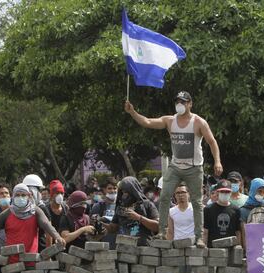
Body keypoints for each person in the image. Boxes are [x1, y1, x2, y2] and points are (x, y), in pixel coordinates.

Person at [125, 91, 223, 247]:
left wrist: (217, 161)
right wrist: (133, 112)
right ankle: (162, 232)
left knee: (197, 202)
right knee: (164, 196)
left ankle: (198, 237)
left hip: (194, 167)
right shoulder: (170, 121)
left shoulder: (199, 122)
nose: (180, 105)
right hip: (175, 166)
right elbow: (148, 122)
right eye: (177, 102)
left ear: (190, 104)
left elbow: (212, 142)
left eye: (183, 102)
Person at [0, 183, 65, 266]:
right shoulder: (7, 213)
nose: (20, 197)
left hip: (32, 262)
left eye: (23, 195)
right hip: (11, 264)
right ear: (13, 196)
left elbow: (46, 224)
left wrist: (57, 237)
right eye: (17, 195)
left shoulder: (35, 211)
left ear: (29, 196)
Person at [103, 176, 159, 246]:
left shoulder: (147, 205)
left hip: (143, 249)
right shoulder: (120, 207)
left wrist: (139, 217)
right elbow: (113, 228)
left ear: (133, 191)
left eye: (126, 192)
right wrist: (101, 224)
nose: (124, 195)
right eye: (122, 192)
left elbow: (157, 227)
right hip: (124, 249)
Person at [203, 180, 241, 248]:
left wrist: (238, 247)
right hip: (213, 250)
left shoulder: (236, 210)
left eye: (227, 192)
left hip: (231, 249)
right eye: (222, 192)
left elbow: (238, 231)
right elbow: (205, 231)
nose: (225, 194)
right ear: (217, 192)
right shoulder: (208, 209)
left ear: (231, 193)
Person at [22, 174, 49, 251]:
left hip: (40, 249)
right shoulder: (19, 209)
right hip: (24, 249)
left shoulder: (42, 208)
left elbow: (48, 233)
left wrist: (48, 253)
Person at [90, 177, 118, 249]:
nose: (113, 191)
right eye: (109, 188)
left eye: (115, 188)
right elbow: (92, 226)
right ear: (104, 190)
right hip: (104, 247)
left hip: (120, 246)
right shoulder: (98, 206)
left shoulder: (121, 206)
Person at [45, 180, 68, 247]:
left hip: (63, 244)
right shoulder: (46, 209)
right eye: (57, 193)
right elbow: (48, 233)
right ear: (52, 195)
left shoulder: (66, 208)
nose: (60, 195)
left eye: (62, 193)